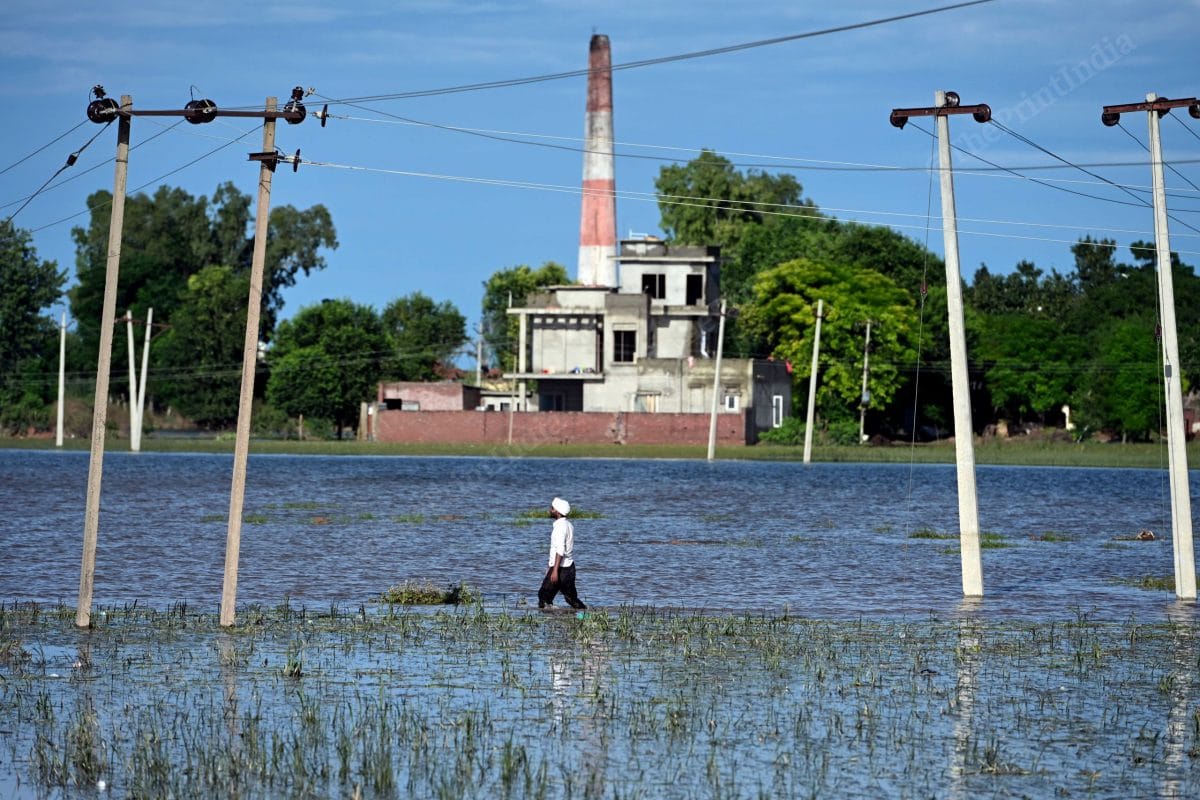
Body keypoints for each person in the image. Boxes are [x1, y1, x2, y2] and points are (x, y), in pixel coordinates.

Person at [538, 497, 587, 609]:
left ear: (558, 512)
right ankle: (584, 616)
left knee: (543, 597)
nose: (550, 510)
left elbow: (560, 550)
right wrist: (550, 568)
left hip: (561, 569)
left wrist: (554, 570)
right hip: (569, 568)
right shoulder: (569, 525)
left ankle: (549, 621)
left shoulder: (560, 527)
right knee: (571, 599)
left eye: (552, 508)